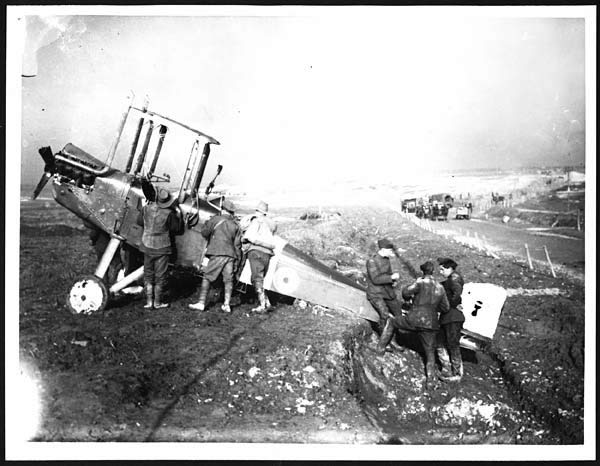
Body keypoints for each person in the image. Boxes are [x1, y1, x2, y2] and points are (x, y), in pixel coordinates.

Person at [378, 260, 450, 390]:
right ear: (433, 272)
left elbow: (405, 292)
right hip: (431, 324)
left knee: (392, 322)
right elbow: (445, 307)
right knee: (430, 352)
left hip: (414, 319)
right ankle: (430, 381)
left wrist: (411, 298)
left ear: (423, 271)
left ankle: (380, 349)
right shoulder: (440, 287)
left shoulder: (420, 282)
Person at [188, 200, 242, 313]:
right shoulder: (235, 225)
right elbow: (237, 245)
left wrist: (208, 222)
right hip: (231, 255)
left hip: (217, 252)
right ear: (231, 212)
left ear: (222, 209)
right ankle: (226, 305)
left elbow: (204, 233)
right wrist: (237, 259)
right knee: (228, 280)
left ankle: (201, 303)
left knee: (207, 276)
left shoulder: (215, 219)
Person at [140, 187, 183, 309]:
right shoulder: (169, 214)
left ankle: (149, 302)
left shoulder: (145, 209)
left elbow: (139, 222)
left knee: (148, 273)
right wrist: (179, 214)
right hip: (162, 247)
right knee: (160, 275)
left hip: (147, 244)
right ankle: (157, 302)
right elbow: (177, 229)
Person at [240, 200, 277, 313]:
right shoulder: (271, 224)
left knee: (256, 279)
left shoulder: (255, 221)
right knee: (260, 278)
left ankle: (262, 305)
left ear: (258, 211)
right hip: (268, 253)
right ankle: (267, 302)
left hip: (255, 252)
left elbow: (248, 235)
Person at [366, 238, 402, 339]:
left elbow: (387, 274)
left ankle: (395, 339)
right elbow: (375, 279)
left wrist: (393, 282)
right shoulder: (372, 261)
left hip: (387, 292)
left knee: (398, 314)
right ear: (382, 249)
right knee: (385, 315)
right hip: (376, 294)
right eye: (390, 251)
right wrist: (391, 277)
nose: (391, 253)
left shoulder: (386, 259)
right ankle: (385, 341)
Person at [436, 257, 465, 382]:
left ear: (449, 268)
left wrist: (448, 305)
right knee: (439, 343)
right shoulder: (449, 280)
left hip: (452, 317)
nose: (440, 272)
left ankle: (457, 373)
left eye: (442, 269)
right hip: (446, 317)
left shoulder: (454, 278)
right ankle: (446, 368)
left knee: (453, 344)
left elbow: (456, 294)